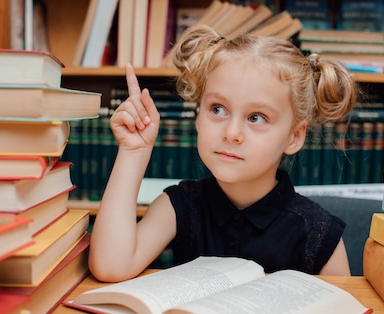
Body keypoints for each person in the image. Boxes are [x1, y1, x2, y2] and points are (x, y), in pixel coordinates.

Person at [89, 25, 358, 282]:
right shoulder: (177, 206)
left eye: (256, 117)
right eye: (218, 109)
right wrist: (133, 152)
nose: (231, 132)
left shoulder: (320, 233)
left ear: (294, 136)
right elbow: (111, 266)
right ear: (197, 116)